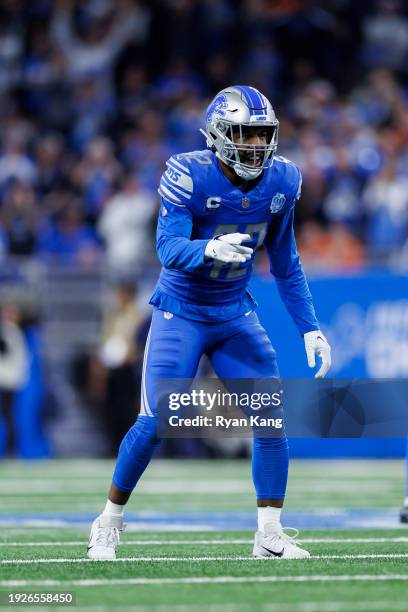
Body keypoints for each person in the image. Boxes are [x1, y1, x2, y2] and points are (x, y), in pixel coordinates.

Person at [87, 85, 332, 560]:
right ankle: (108, 520)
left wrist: (310, 327)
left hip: (235, 311)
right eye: (245, 135)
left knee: (270, 417)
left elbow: (285, 263)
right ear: (219, 135)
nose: (256, 147)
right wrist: (206, 249)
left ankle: (269, 534)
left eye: (263, 137)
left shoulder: (282, 181)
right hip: (182, 311)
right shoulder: (190, 174)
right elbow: (167, 248)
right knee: (158, 420)